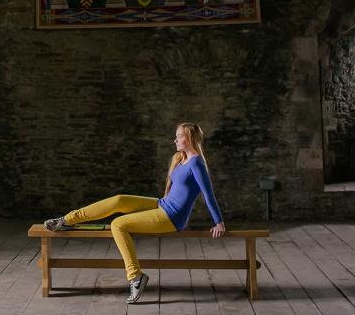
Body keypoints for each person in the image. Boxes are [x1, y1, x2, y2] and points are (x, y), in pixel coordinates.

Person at [43, 123, 225, 304]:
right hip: (162, 205)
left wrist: (219, 223)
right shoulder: (181, 158)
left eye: (180, 136)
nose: (175, 139)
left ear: (190, 138)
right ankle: (67, 220)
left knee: (118, 224)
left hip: (172, 218)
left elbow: (208, 195)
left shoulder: (196, 163)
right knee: (119, 200)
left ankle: (135, 276)